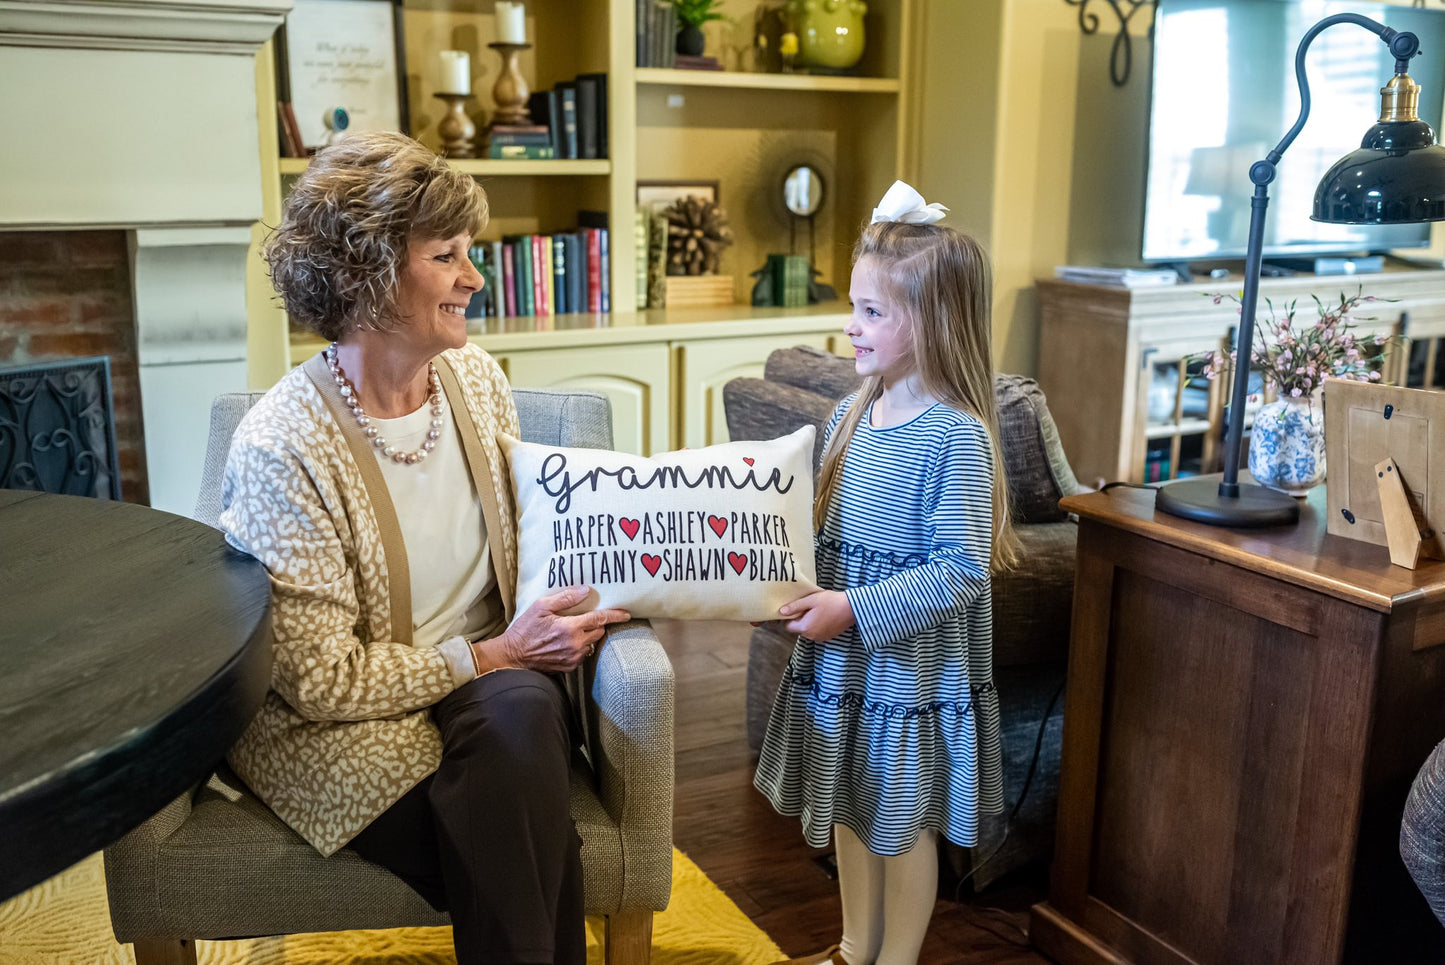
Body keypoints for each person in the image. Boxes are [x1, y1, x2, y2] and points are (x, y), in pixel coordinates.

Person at [219, 130, 630, 965]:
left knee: (519, 716)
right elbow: (322, 680)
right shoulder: (281, 446)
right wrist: (491, 654)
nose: (474, 278)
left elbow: (540, 544)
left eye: (468, 252)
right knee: (521, 837)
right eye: (446, 255)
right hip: (341, 723)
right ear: (365, 276)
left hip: (494, 682)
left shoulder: (476, 379)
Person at [754, 181, 1020, 965]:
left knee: (898, 823)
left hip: (908, 674)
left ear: (933, 321)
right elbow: (818, 527)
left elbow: (961, 570)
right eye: (853, 306)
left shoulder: (956, 438)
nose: (849, 326)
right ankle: (849, 949)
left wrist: (856, 610)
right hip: (842, 667)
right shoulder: (848, 414)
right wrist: (770, 582)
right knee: (845, 807)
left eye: (872, 312)